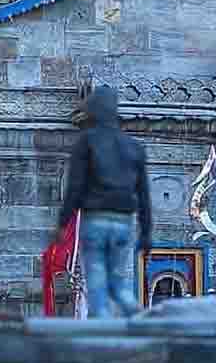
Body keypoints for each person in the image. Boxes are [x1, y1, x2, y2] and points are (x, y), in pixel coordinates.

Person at [54, 85, 152, 319]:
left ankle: (102, 331)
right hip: (123, 222)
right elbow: (144, 194)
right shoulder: (134, 147)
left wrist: (62, 223)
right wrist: (146, 233)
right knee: (118, 283)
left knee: (97, 282)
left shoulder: (87, 142)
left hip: (95, 220)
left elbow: (75, 186)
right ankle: (138, 315)